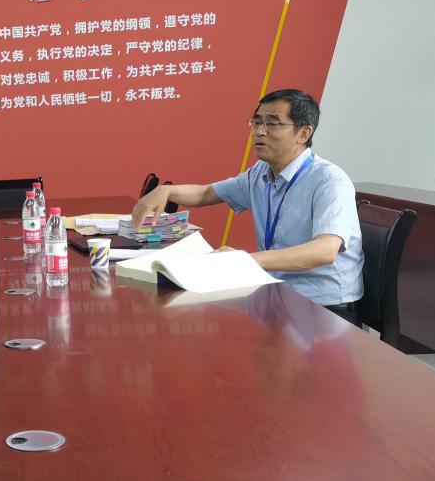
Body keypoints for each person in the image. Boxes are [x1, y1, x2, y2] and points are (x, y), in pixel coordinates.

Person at [131, 88, 363, 322]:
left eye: (273, 123)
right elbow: (206, 193)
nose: (260, 131)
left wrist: (243, 260)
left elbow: (325, 250)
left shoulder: (329, 181)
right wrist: (167, 191)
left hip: (324, 308)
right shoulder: (261, 173)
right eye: (257, 122)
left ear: (303, 133)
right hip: (276, 293)